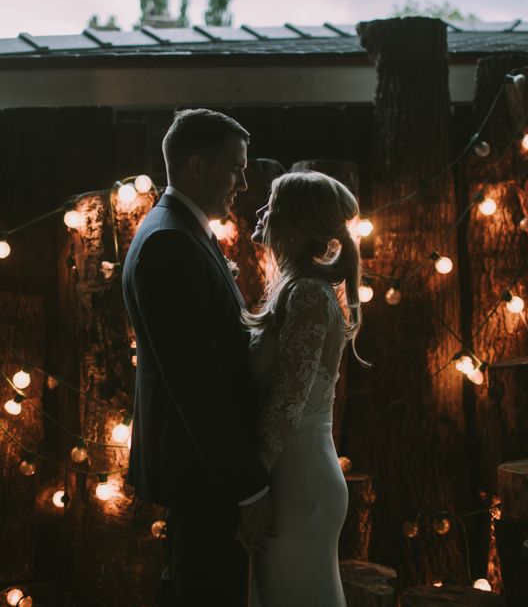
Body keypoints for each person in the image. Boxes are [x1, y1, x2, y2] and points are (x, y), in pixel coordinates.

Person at [122, 109, 273, 606]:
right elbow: (198, 385)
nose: (244, 182)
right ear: (196, 167)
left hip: (203, 467)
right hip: (203, 472)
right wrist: (247, 489)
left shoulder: (183, 230)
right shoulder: (169, 242)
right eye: (235, 168)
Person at [247, 170, 368, 606]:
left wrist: (250, 486)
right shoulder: (293, 288)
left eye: (271, 206)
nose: (261, 213)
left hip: (299, 479)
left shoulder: (310, 296)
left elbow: (288, 400)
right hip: (292, 471)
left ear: (295, 229)